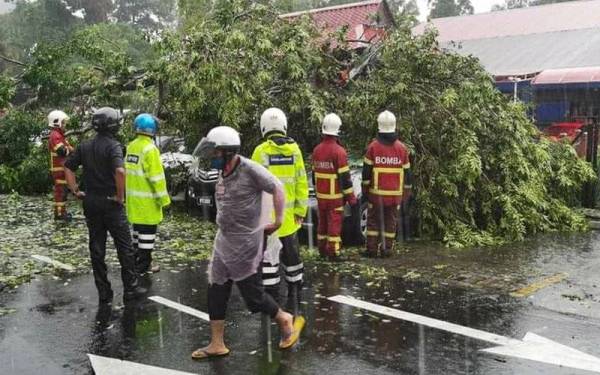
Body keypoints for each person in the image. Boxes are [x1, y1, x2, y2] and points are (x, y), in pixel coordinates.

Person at [191, 126, 297, 360]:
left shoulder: (249, 169)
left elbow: (277, 188)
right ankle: (217, 343)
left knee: (253, 295)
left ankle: (283, 318)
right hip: (225, 239)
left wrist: (277, 220)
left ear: (228, 152)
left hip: (247, 242)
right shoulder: (223, 171)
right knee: (216, 288)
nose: (212, 157)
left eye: (215, 153)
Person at [64, 107, 146, 304]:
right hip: (111, 203)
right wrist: (120, 196)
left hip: (91, 202)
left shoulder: (84, 146)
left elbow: (68, 166)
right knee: (124, 247)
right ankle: (130, 289)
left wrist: (75, 190)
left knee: (97, 248)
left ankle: (104, 292)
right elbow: (120, 171)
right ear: (114, 125)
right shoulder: (114, 146)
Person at [251, 107, 308, 313]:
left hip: (268, 220)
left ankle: (271, 295)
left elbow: (253, 184)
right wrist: (301, 210)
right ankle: (295, 289)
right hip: (289, 218)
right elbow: (302, 182)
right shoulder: (295, 151)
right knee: (292, 256)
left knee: (268, 258)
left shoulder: (260, 152)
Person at [125, 114, 171, 275]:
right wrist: (165, 200)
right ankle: (142, 269)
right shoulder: (150, 149)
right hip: (148, 204)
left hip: (133, 202)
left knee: (137, 237)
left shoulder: (132, 146)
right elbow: (157, 178)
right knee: (147, 238)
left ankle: (136, 264)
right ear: (152, 130)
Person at [361, 110, 411, 258]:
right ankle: (387, 249)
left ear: (379, 127)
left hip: (376, 195)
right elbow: (408, 174)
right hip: (395, 196)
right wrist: (406, 194)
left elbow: (366, 173)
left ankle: (371, 250)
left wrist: (365, 190)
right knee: (391, 222)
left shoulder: (373, 147)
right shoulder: (402, 149)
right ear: (394, 127)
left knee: (373, 222)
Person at [311, 113, 357, 261]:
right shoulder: (339, 152)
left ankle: (322, 250)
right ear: (337, 131)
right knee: (334, 227)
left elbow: (313, 176)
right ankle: (333, 252)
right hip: (335, 198)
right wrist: (352, 199)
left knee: (322, 225)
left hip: (321, 196)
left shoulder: (317, 150)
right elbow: (345, 179)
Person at [47, 110, 74, 221]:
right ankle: (59, 214)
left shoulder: (60, 136)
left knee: (63, 192)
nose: (64, 125)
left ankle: (62, 212)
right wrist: (70, 149)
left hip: (63, 169)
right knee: (60, 192)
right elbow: (62, 151)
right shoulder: (55, 135)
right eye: (63, 123)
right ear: (56, 122)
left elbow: (70, 149)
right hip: (59, 170)